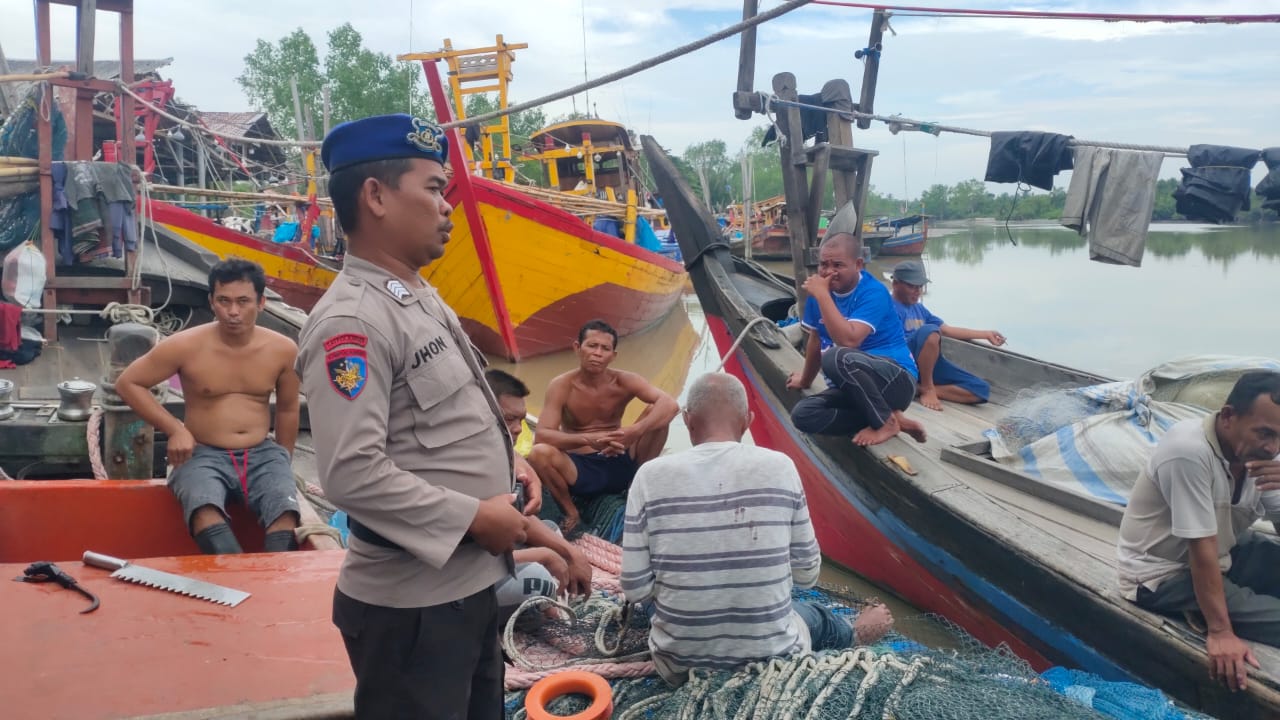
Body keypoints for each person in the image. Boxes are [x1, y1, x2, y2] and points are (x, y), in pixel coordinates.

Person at [295, 114, 528, 720]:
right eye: (431, 187)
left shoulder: (415, 293)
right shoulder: (353, 323)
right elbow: (349, 472)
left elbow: (446, 421)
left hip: (467, 589)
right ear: (375, 196)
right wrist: (475, 515)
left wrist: (510, 463)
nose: (447, 206)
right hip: (414, 613)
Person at [621, 372, 894, 686]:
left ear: (687, 420)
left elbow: (635, 590)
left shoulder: (649, 476)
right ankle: (856, 634)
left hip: (677, 667)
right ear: (747, 421)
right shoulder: (781, 467)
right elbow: (807, 576)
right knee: (815, 615)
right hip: (772, 662)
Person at [115, 258, 301, 555]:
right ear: (211, 302)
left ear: (262, 302)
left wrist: (283, 461)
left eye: (243, 301)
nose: (233, 312)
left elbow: (289, 409)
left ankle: (272, 582)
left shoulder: (283, 349)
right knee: (203, 507)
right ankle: (235, 575)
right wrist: (175, 429)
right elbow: (129, 383)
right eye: (224, 301)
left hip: (261, 452)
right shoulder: (185, 345)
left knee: (286, 513)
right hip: (201, 452)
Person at [1117, 371, 1280, 693]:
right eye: (1265, 434)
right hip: (1162, 574)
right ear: (1229, 416)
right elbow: (1200, 548)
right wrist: (1220, 633)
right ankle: (1207, 614)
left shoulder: (1263, 453)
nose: (1273, 448)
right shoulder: (1188, 450)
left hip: (1224, 551)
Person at [786, 203, 927, 447]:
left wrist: (822, 296)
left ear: (858, 265)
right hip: (855, 388)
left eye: (838, 265)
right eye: (824, 265)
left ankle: (885, 423)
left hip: (896, 381)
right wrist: (806, 381)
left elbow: (849, 341)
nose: (829, 272)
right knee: (803, 414)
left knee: (837, 356)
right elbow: (815, 341)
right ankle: (892, 419)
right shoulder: (819, 293)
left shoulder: (874, 293)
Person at [526, 320, 679, 533]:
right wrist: (587, 440)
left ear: (613, 355)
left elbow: (671, 405)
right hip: (580, 469)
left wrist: (634, 431)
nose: (597, 353)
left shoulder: (625, 380)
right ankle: (571, 511)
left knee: (659, 415)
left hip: (620, 458)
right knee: (538, 454)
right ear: (577, 348)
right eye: (592, 345)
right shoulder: (562, 385)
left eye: (605, 348)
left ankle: (636, 484)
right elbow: (542, 436)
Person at [484, 368, 593, 618]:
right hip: (466, 578)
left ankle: (552, 604)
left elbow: (522, 521)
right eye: (508, 419)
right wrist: (545, 555)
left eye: (520, 420)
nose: (518, 429)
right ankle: (553, 618)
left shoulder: (502, 457)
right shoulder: (471, 469)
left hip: (496, 557)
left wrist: (568, 552)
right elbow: (471, 559)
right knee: (540, 578)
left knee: (550, 530)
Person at [888, 260, 1006, 411]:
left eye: (920, 287)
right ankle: (927, 387)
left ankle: (919, 389)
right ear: (896, 284)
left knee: (981, 389)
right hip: (905, 361)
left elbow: (947, 330)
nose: (917, 291)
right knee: (929, 331)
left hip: (929, 363)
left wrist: (985, 334)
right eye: (911, 287)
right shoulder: (888, 307)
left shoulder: (919, 309)